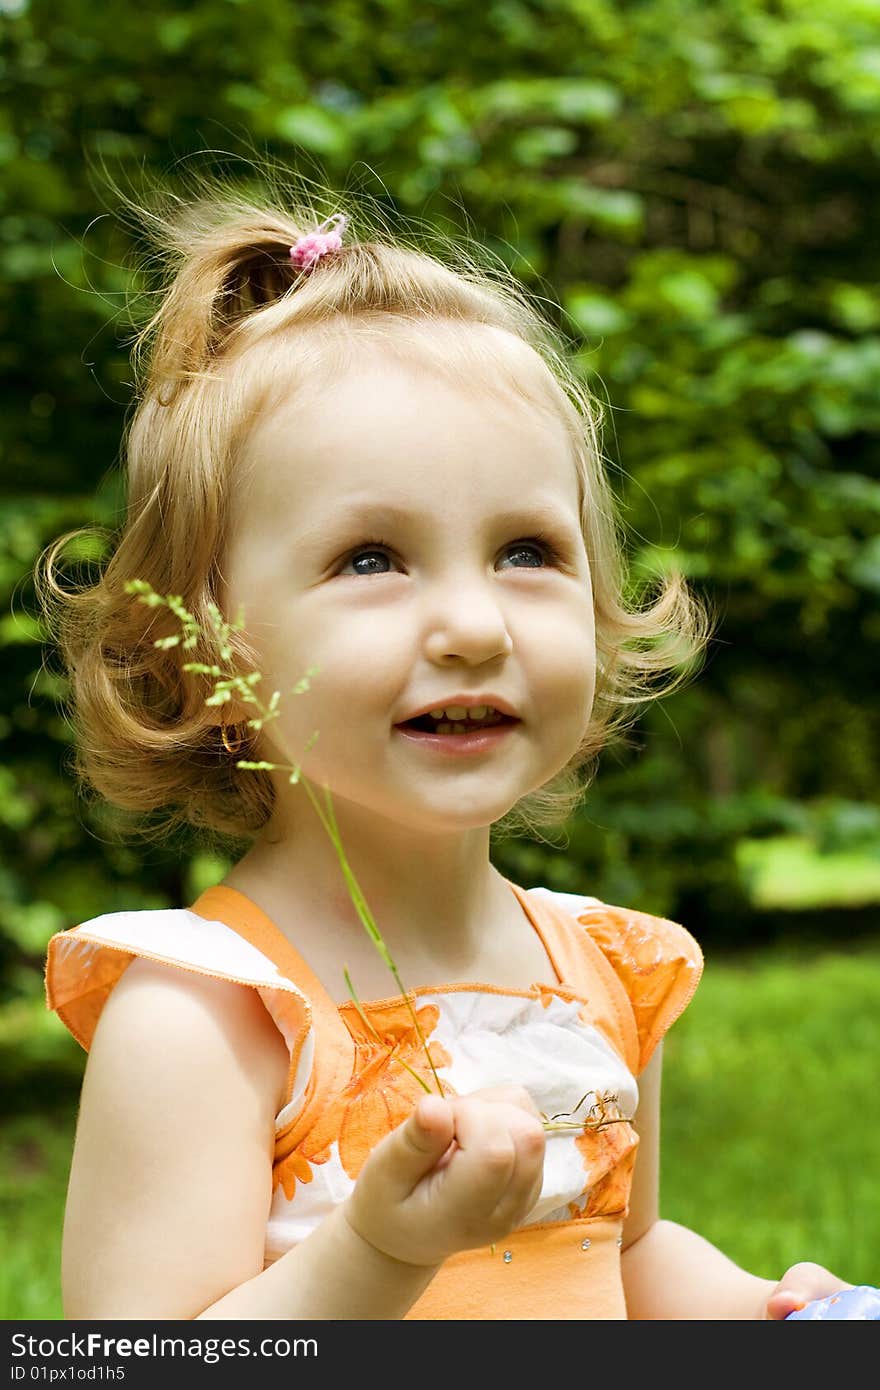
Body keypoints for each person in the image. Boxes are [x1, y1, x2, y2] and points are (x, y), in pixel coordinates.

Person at [39, 179, 852, 1321]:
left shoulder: (602, 976)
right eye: (371, 558)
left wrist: (755, 1308)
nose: (474, 625)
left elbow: (620, 1253)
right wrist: (376, 1250)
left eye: (526, 549)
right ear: (205, 651)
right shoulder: (210, 1013)